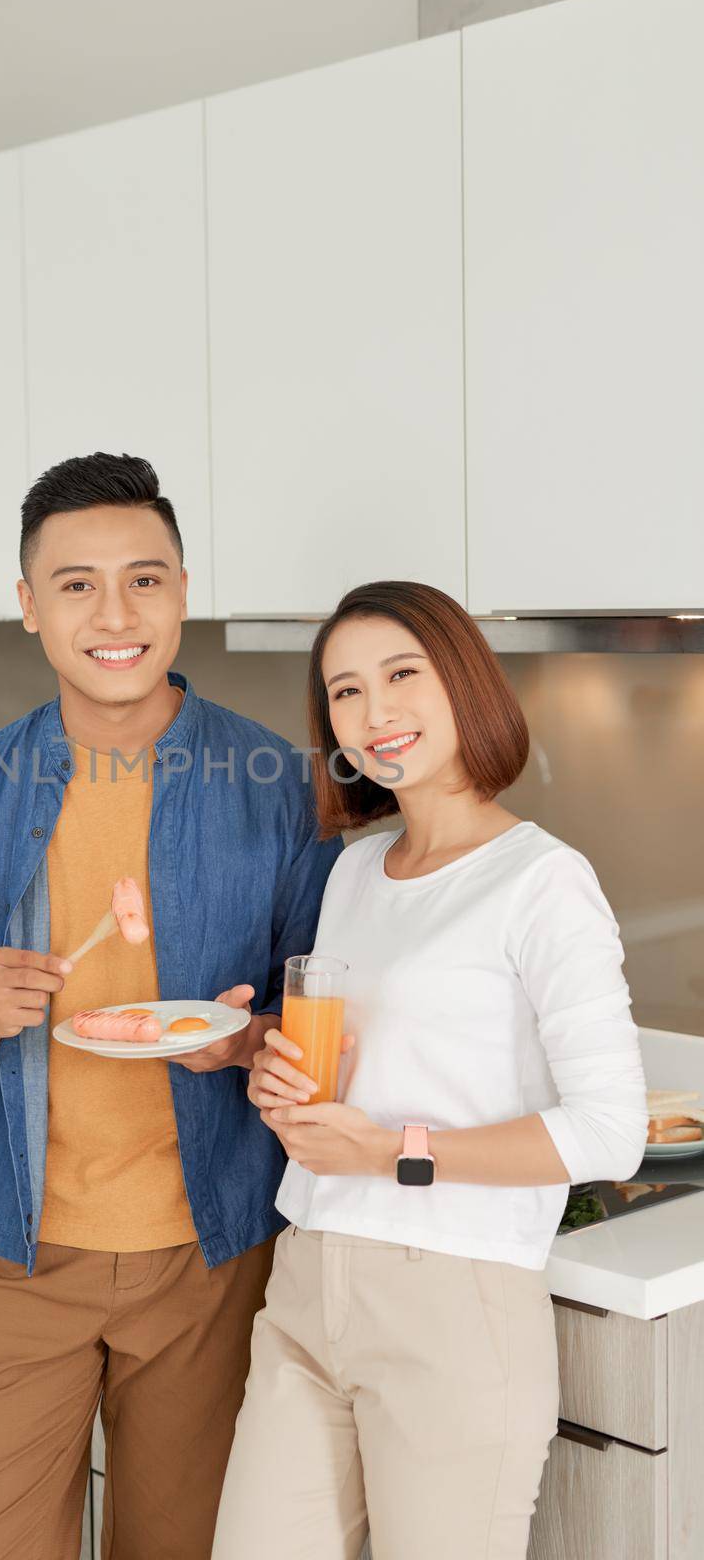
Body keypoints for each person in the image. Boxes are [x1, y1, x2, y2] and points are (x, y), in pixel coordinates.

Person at [0, 452, 342, 1560]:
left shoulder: (274, 785)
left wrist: (246, 1044)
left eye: (145, 577)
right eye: (76, 583)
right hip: (17, 1257)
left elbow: (320, 1025)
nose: (115, 612)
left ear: (183, 589)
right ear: (29, 605)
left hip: (212, 1260)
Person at [212, 579, 648, 1560]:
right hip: (307, 1282)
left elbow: (609, 1128)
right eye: (346, 690)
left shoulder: (541, 881)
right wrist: (284, 1085)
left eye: (402, 673)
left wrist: (392, 1151)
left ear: (464, 681)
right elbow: (358, 1069)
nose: (376, 711)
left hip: (451, 1304)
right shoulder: (356, 868)